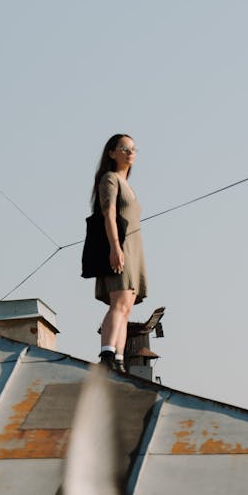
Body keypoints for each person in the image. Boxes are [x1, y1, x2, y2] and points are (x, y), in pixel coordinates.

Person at [91, 134, 148, 373]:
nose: (129, 152)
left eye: (133, 149)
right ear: (112, 153)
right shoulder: (110, 179)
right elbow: (109, 214)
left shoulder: (128, 185)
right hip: (120, 246)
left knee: (127, 305)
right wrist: (115, 247)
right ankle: (107, 353)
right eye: (124, 148)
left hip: (134, 249)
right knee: (119, 301)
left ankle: (120, 358)